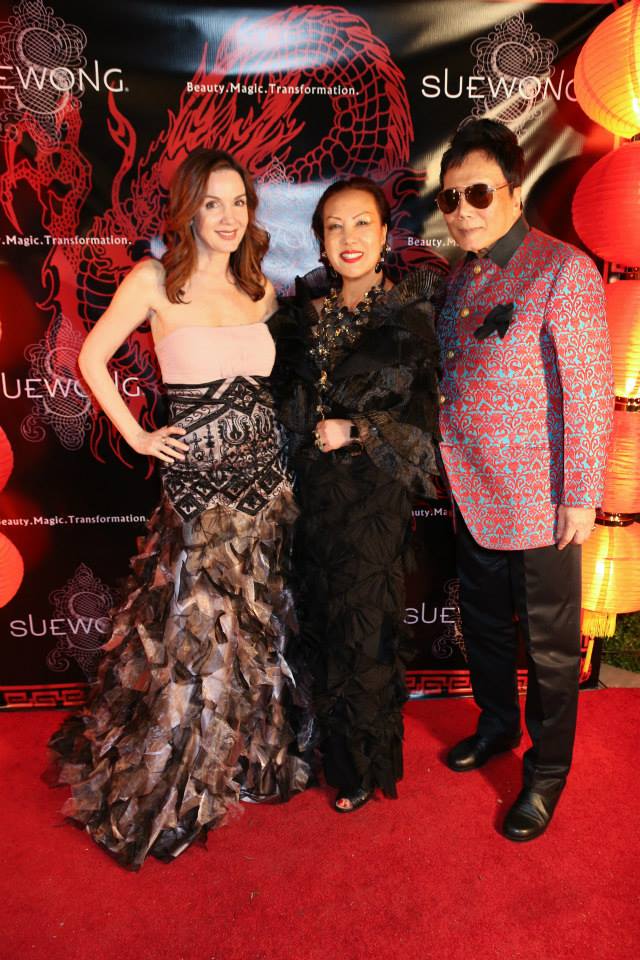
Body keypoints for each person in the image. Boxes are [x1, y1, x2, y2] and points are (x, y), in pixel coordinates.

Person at [48, 148, 311, 869]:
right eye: (213, 204)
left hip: (263, 483)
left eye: (239, 203)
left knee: (251, 628)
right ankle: (177, 781)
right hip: (198, 489)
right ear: (188, 209)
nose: (228, 218)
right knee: (191, 634)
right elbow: (90, 356)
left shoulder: (260, 290)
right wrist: (136, 433)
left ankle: (236, 761)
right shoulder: (154, 280)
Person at [435, 119, 613, 841]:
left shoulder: (561, 269)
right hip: (470, 491)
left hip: (542, 503)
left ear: (513, 191)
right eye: (451, 198)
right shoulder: (461, 275)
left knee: (546, 645)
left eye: (478, 192)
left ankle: (546, 776)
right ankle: (497, 728)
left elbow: (588, 388)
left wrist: (580, 494)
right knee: (481, 629)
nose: (464, 209)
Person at [269, 177, 441, 813]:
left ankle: (363, 766)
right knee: (316, 620)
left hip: (373, 499)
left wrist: (358, 428)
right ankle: (323, 744)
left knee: (363, 630)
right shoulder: (301, 316)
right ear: (319, 239)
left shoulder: (410, 316)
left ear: (385, 234)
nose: (349, 239)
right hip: (312, 498)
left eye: (361, 224)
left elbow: (424, 423)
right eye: (335, 226)